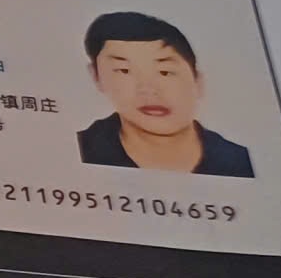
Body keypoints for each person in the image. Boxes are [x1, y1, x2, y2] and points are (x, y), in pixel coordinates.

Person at [75, 10, 254, 176]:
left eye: (164, 72)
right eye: (124, 70)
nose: (148, 90)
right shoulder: (77, 152)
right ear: (96, 77)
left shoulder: (240, 163)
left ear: (198, 81)